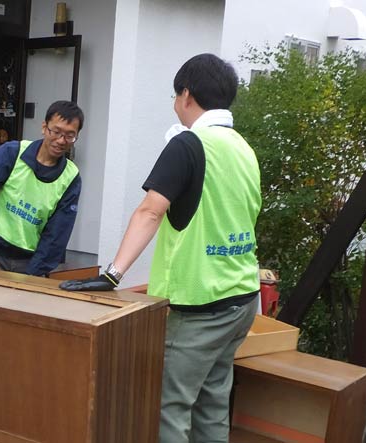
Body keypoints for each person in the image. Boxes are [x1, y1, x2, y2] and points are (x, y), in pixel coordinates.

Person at [61, 53, 261, 442]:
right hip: (242, 297)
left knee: (168, 408)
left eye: (175, 96)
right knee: (212, 405)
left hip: (198, 304)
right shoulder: (242, 149)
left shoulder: (189, 144)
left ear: (186, 94)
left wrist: (112, 274)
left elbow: (151, 211)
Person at [0, 101, 83, 276]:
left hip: (29, 262)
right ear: (44, 127)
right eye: (56, 132)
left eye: (70, 136)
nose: (61, 141)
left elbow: (57, 234)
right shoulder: (13, 153)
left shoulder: (71, 178)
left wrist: (34, 274)